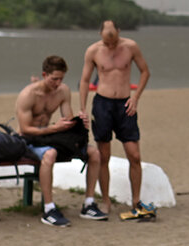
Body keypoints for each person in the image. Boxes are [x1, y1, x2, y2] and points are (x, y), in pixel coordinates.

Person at [79, 20, 154, 219]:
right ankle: (105, 200)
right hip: (102, 105)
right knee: (104, 156)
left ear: (119, 32)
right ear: (101, 34)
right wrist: (82, 109)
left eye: (113, 40)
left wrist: (135, 97)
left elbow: (145, 71)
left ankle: (136, 201)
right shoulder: (93, 51)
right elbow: (85, 80)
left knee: (134, 154)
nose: (111, 45)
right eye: (107, 41)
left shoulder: (130, 47)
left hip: (125, 104)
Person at [15, 55, 101, 227]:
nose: (57, 83)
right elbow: (25, 129)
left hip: (49, 136)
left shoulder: (63, 91)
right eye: (54, 79)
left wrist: (78, 122)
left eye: (61, 79)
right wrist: (54, 128)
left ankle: (89, 204)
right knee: (50, 154)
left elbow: (67, 120)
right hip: (29, 140)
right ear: (44, 74)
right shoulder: (28, 94)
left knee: (94, 152)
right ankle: (49, 209)